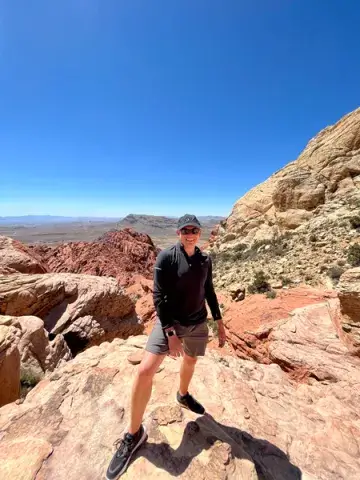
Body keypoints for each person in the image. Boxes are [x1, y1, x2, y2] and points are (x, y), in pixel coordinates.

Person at [106, 214, 226, 480]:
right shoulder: (167, 257)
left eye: (194, 230)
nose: (190, 234)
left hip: (197, 322)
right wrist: (171, 334)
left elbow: (209, 291)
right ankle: (133, 434)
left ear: (200, 233)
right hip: (170, 322)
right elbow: (158, 296)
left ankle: (182, 395)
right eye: (186, 230)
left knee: (192, 360)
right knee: (145, 371)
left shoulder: (205, 259)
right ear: (178, 233)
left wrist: (219, 320)